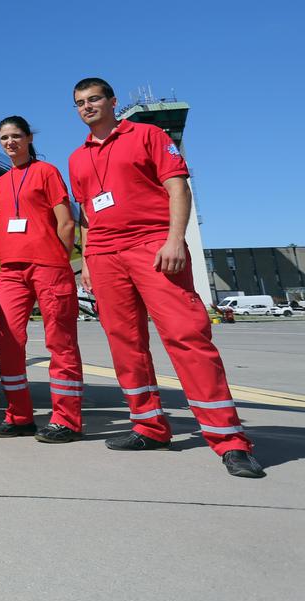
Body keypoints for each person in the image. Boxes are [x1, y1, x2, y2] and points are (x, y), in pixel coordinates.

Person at [68, 77, 264, 478]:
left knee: (186, 335)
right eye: (79, 103)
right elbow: (86, 214)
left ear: (111, 101)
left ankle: (229, 439)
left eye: (93, 99)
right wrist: (87, 259)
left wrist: (175, 239)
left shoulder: (149, 135)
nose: (87, 107)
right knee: (125, 343)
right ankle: (149, 425)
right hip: (104, 254)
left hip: (152, 244)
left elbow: (178, 189)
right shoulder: (76, 157)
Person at [0, 116, 83, 443]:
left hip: (49, 266)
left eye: (16, 135)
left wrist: (60, 259)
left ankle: (67, 419)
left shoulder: (47, 172)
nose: (10, 142)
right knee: (8, 342)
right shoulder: (0, 183)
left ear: (29, 138)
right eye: (4, 137)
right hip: (11, 271)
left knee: (60, 342)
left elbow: (66, 222)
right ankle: (19, 416)